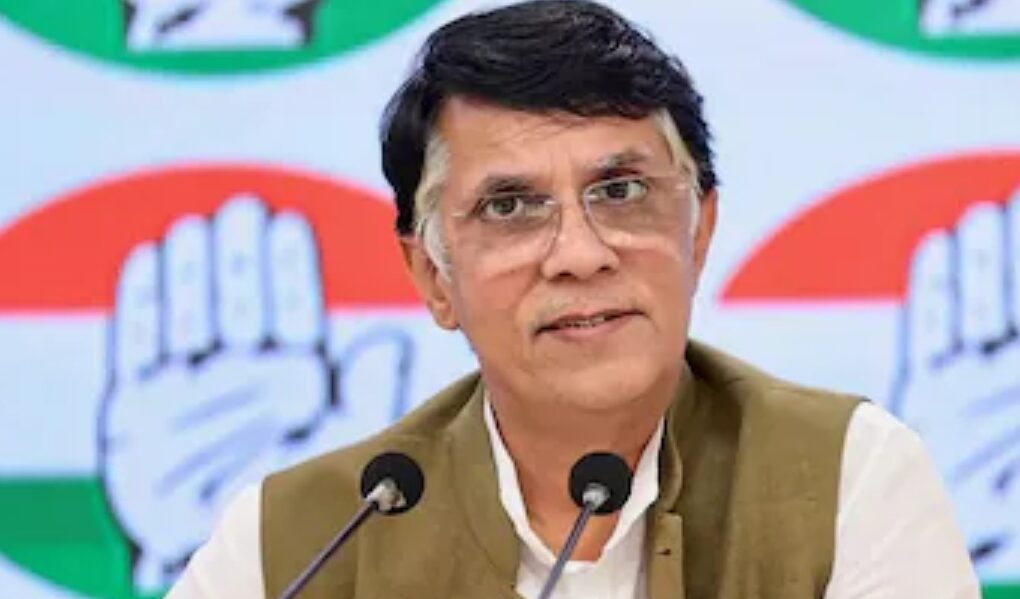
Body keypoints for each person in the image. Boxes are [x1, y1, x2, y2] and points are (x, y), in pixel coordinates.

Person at [167, 1, 980, 597]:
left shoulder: (847, 478)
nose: (581, 254)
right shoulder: (297, 540)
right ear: (433, 277)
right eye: (510, 207)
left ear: (699, 230)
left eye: (622, 191)